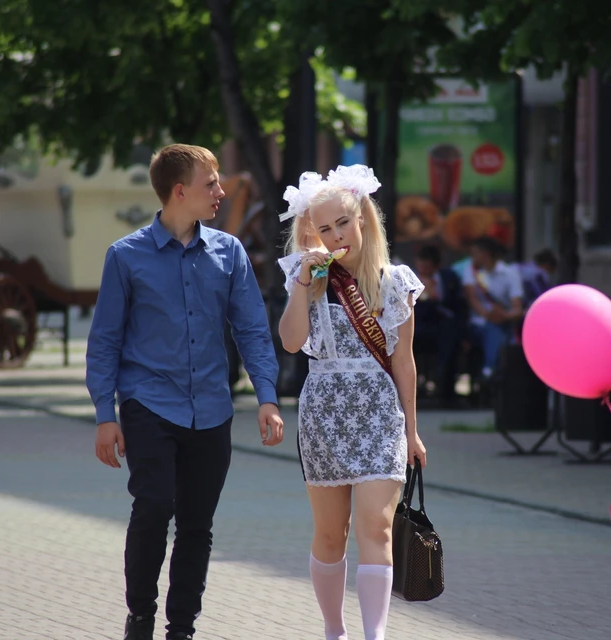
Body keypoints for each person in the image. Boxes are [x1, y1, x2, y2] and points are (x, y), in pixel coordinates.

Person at [85, 144, 284, 640]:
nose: (220, 191)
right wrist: (104, 414)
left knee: (197, 525)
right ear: (180, 191)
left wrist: (267, 397)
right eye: (211, 182)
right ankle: (141, 615)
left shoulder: (229, 252)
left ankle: (181, 630)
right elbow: (105, 339)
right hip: (147, 402)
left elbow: (253, 329)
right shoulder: (125, 257)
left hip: (212, 409)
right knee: (153, 505)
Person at [277, 165, 427, 640]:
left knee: (377, 530)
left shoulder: (395, 282)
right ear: (313, 233)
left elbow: (404, 363)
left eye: (343, 222)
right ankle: (333, 630)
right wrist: (303, 279)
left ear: (362, 217)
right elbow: (291, 342)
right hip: (324, 414)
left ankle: (374, 635)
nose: (336, 234)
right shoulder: (311, 281)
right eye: (324, 228)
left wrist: (412, 431)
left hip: (381, 414)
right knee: (329, 535)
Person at [462, 236, 524, 380]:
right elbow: (473, 299)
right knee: (494, 328)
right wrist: (489, 315)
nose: (473, 258)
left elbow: (517, 306)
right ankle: (492, 370)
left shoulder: (510, 274)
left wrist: (504, 316)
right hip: (478, 323)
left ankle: (490, 371)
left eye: (475, 254)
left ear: (485, 254)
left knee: (496, 329)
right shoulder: (471, 271)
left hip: (503, 321)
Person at [413, 244, 467, 405]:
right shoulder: (410, 279)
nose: (424, 270)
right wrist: (427, 298)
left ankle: (444, 388)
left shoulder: (449, 278)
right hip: (418, 326)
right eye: (421, 266)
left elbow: (458, 307)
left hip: (444, 327)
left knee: (450, 339)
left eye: (427, 267)